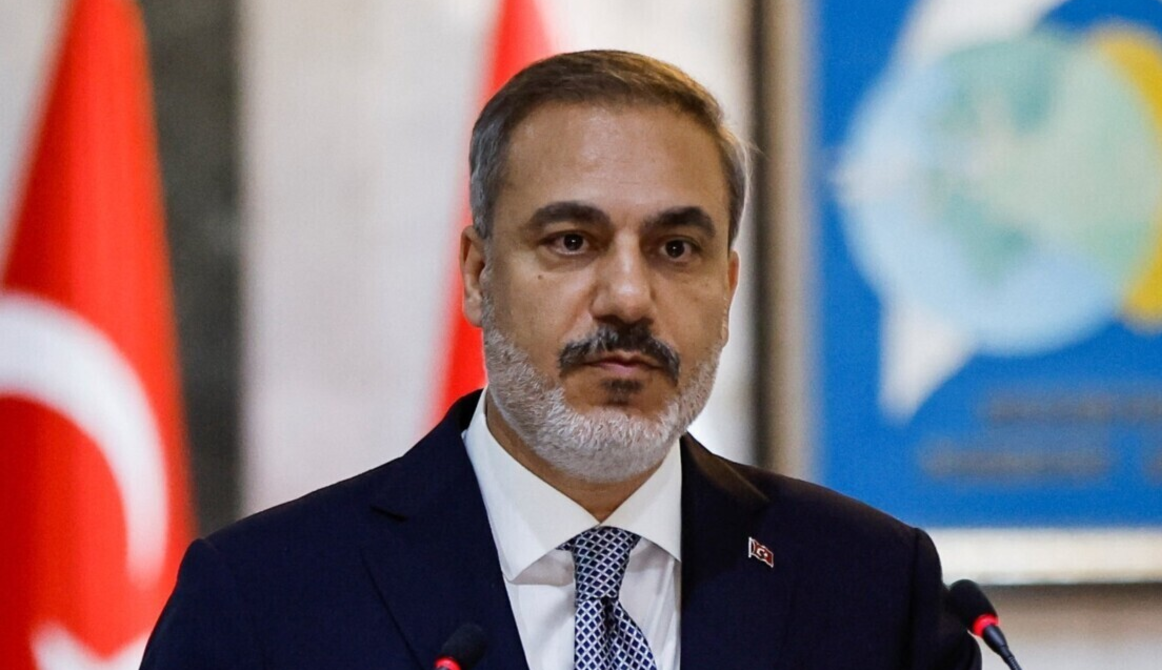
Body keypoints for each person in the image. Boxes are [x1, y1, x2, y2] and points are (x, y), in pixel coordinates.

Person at [141, 50, 981, 670]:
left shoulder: (869, 586)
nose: (628, 297)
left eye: (676, 248)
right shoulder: (265, 601)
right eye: (572, 241)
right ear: (478, 275)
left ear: (728, 287)